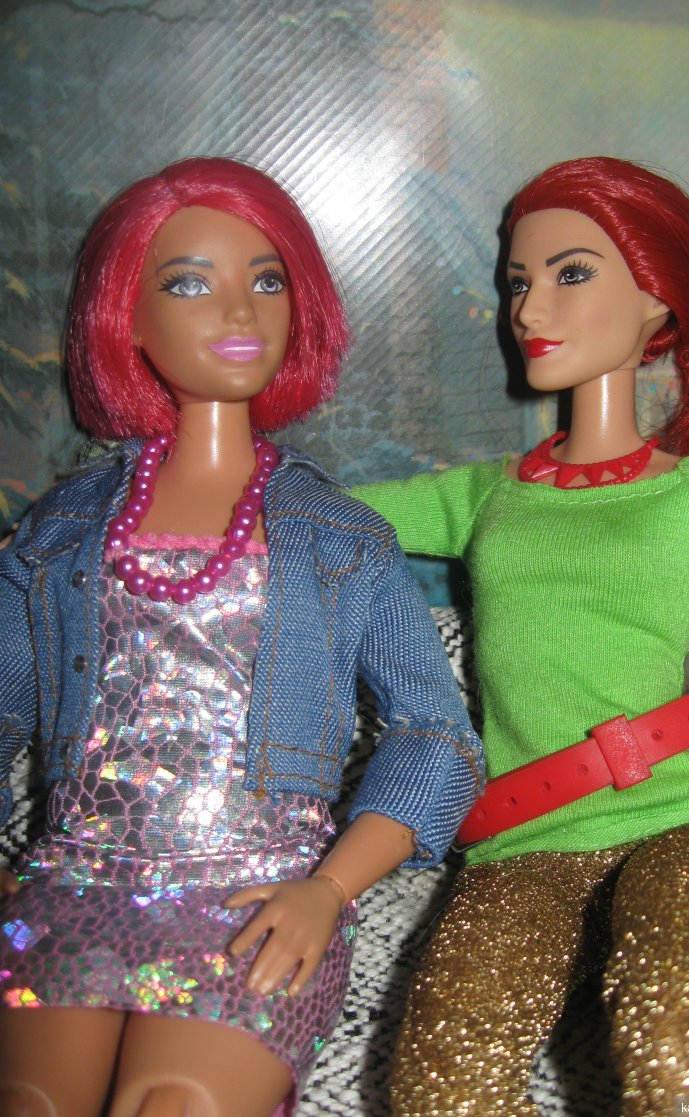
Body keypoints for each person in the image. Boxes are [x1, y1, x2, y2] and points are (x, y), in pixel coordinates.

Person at [350, 156, 689, 1115]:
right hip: (522, 837)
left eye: (570, 273)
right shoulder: (485, 496)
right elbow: (318, 513)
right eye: (518, 282)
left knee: (682, 1048)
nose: (529, 309)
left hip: (687, 821)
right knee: (443, 1083)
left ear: (657, 300)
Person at [0, 156, 483, 1117]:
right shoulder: (60, 532)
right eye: (190, 283)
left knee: (175, 1104)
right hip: (69, 880)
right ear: (128, 320)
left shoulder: (340, 537)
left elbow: (435, 736)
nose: (239, 310)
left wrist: (328, 890)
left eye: (267, 281)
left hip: (258, 896)